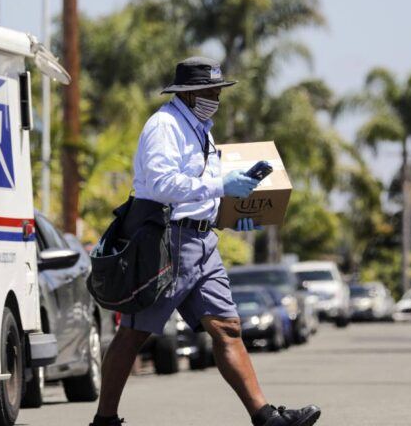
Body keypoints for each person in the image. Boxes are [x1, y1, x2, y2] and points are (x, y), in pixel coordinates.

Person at [90, 57, 321, 426]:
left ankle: (265, 417)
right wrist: (221, 186)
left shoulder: (201, 129)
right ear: (188, 92)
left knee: (228, 327)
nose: (216, 96)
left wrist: (227, 215)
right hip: (166, 242)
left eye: (218, 90)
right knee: (134, 333)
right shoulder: (163, 126)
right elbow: (164, 185)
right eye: (210, 90)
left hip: (202, 242)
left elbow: (201, 192)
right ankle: (105, 420)